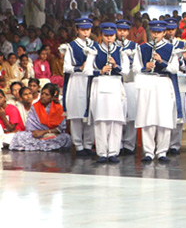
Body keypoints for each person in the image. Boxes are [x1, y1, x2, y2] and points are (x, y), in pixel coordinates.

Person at [133, 20, 181, 163]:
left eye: (159, 32)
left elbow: (175, 69)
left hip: (163, 81)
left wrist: (161, 62)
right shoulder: (141, 48)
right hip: (147, 81)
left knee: (164, 117)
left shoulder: (170, 48)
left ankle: (162, 151)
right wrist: (145, 67)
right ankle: (148, 151)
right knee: (148, 117)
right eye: (153, 32)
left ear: (164, 33)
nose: (155, 35)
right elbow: (135, 67)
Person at [89, 23, 130, 164]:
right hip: (100, 83)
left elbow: (126, 71)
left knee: (115, 120)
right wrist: (99, 71)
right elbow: (87, 70)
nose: (109, 38)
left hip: (115, 84)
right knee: (101, 120)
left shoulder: (121, 50)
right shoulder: (94, 49)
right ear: (101, 36)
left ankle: (113, 151)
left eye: (111, 36)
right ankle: (102, 152)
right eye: (106, 36)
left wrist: (115, 66)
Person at [63, 18, 98, 156]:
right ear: (77, 30)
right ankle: (78, 145)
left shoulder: (94, 45)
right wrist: (79, 68)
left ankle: (88, 145)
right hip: (77, 80)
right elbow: (66, 66)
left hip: (91, 80)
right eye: (83, 29)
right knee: (77, 113)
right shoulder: (71, 46)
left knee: (90, 113)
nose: (85, 32)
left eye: (88, 29)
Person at [9, 83, 71, 151]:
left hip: (52, 134)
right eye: (42, 93)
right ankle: (46, 144)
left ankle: (43, 144)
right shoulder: (35, 106)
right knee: (19, 136)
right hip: (36, 134)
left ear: (52, 97)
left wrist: (45, 132)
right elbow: (30, 125)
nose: (43, 96)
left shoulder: (59, 108)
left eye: (46, 94)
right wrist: (36, 133)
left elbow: (61, 128)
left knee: (66, 138)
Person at [164, 18, 186, 155]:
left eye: (172, 29)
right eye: (168, 29)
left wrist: (184, 59)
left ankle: (175, 144)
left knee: (179, 114)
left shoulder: (183, 44)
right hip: (166, 79)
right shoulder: (161, 45)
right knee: (166, 112)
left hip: (179, 80)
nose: (170, 32)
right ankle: (165, 144)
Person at [115, 19, 139, 156]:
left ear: (129, 32)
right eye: (120, 30)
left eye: (124, 30)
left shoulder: (134, 46)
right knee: (118, 113)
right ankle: (117, 144)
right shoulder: (111, 45)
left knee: (131, 113)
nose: (122, 32)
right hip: (117, 80)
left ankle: (129, 144)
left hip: (130, 80)